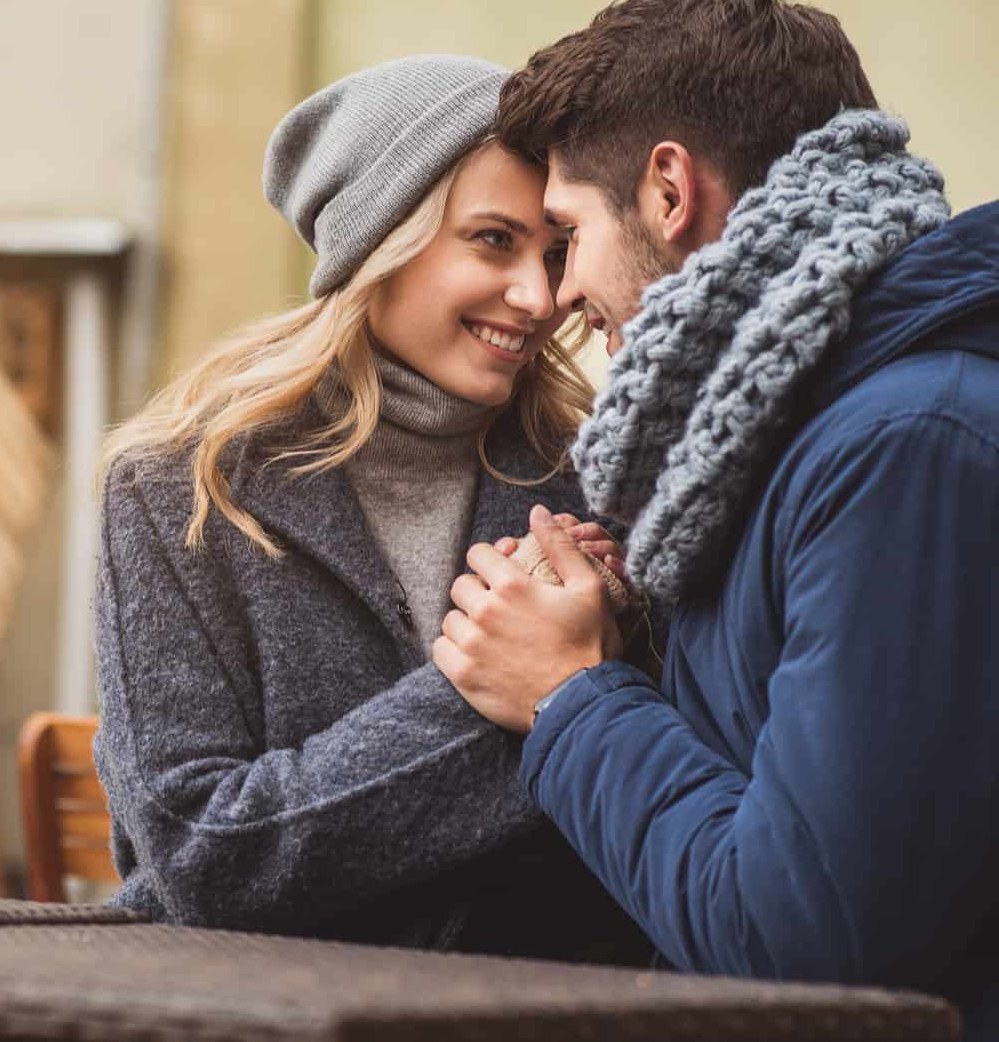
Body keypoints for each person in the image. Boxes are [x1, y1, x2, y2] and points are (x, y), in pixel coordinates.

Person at [431, 0, 999, 1033]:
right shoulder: (791, 441)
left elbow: (807, 941)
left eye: (565, 234)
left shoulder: (903, 444)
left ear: (665, 192)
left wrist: (568, 696)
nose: (556, 295)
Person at [91, 54, 651, 961]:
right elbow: (205, 857)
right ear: (378, 237)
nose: (539, 298)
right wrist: (503, 683)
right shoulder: (180, 489)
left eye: (554, 252)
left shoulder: (602, 478)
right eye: (493, 240)